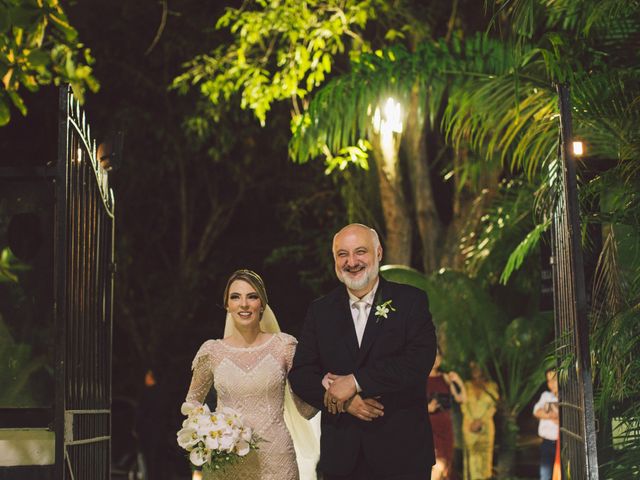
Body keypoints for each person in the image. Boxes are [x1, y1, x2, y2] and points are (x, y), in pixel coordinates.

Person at [289, 223, 438, 480]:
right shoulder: (320, 311)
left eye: (360, 252)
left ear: (378, 253)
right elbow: (301, 373)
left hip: (403, 455)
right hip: (343, 457)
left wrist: (356, 382)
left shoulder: (411, 301)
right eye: (342, 254)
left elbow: (418, 361)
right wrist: (344, 402)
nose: (352, 261)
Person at [183, 269, 319, 480]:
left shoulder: (284, 346)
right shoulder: (212, 352)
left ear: (262, 304)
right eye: (235, 297)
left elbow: (306, 408)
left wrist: (327, 384)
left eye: (252, 296)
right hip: (227, 462)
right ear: (227, 305)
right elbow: (192, 402)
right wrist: (208, 431)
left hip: (277, 460)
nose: (244, 304)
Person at [427, 349, 466, 480]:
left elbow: (461, 399)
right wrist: (427, 408)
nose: (434, 358)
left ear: (441, 358)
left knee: (445, 469)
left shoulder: (445, 378)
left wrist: (459, 381)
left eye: (437, 355)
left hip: (446, 428)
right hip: (428, 429)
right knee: (437, 465)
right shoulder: (418, 379)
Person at [460, 362, 498, 480]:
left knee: (485, 461)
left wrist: (481, 421)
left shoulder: (492, 386)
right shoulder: (466, 385)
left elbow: (494, 406)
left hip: (486, 427)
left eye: (476, 366)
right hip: (469, 427)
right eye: (471, 366)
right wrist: (472, 422)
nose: (474, 369)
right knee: (471, 459)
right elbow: (463, 404)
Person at [533, 368, 559, 480]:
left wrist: (555, 417)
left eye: (554, 379)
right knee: (545, 474)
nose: (551, 383)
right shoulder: (546, 396)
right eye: (548, 381)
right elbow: (537, 411)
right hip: (547, 443)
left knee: (560, 473)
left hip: (562, 443)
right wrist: (551, 416)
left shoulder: (568, 396)